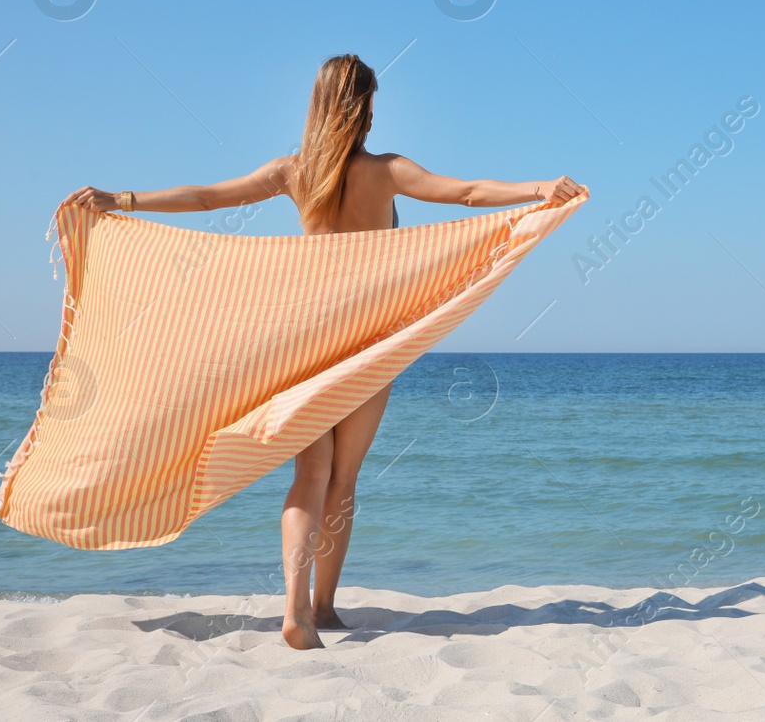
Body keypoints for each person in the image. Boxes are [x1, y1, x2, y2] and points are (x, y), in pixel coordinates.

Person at [63, 53, 580, 649]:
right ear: (364, 107)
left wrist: (122, 199)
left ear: (316, 103)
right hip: (370, 341)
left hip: (306, 336)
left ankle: (296, 611)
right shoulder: (386, 170)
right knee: (344, 479)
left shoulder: (293, 171)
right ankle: (326, 607)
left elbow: (208, 197)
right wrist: (540, 189)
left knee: (310, 471)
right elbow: (465, 193)